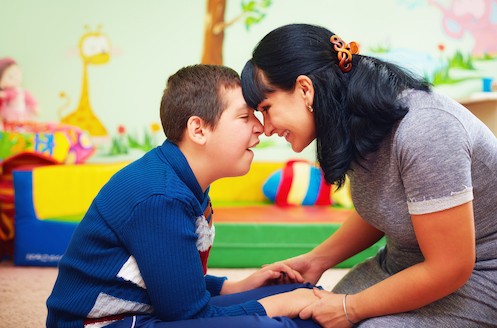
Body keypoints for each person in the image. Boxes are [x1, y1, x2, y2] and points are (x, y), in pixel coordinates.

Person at [241, 23, 497, 327]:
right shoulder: (355, 118)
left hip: (478, 276)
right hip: (405, 265)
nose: (266, 128)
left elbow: (451, 267)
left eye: (267, 108)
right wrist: (316, 261)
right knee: (311, 314)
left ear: (305, 89)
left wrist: (351, 308)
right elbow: (388, 204)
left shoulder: (426, 129)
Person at [46, 64, 322, 328]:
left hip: (148, 310)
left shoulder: (185, 181)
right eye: (244, 116)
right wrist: (284, 305)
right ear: (198, 130)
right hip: (107, 323)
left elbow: (175, 280)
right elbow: (191, 314)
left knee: (302, 293)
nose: (260, 127)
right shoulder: (161, 197)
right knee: (284, 317)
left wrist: (237, 287)